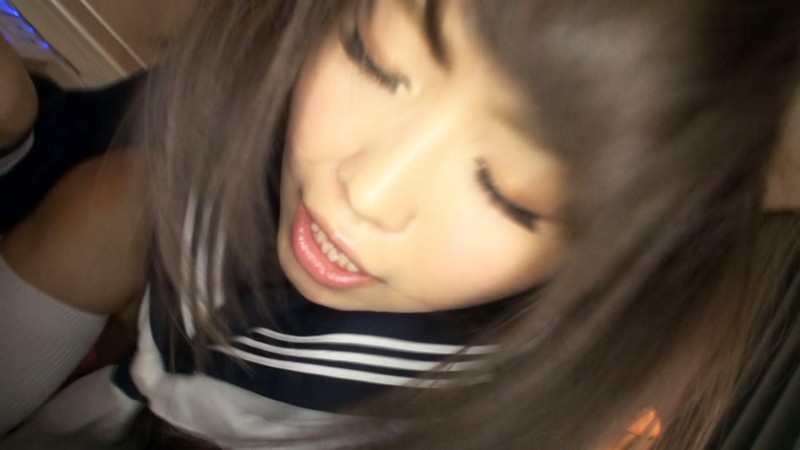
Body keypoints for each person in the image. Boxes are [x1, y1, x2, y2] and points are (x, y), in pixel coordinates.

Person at [1, 0, 799, 448]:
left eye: (510, 191)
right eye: (373, 59)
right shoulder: (176, 171)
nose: (368, 191)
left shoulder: (515, 411)